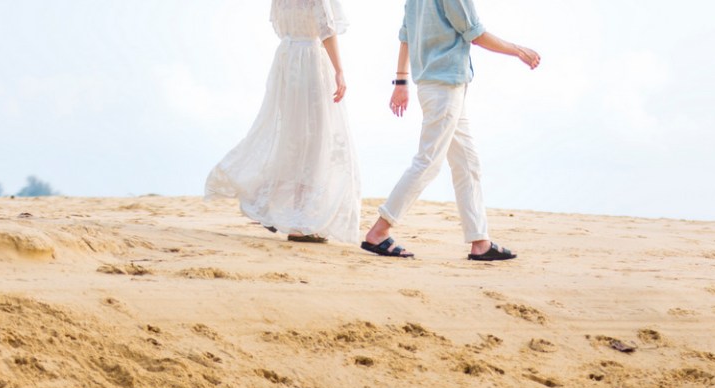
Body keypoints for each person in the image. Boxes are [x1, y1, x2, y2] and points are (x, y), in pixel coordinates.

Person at [361, 0, 540, 261]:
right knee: (428, 162)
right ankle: (378, 232)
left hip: (435, 86)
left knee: (467, 162)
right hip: (446, 86)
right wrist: (519, 50)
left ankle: (480, 241)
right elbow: (475, 33)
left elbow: (405, 35)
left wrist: (401, 80)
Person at [207, 0, 362, 245]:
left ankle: (271, 204)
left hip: (287, 59)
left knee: (291, 136)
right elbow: (326, 29)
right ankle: (299, 222)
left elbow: (278, 26)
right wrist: (339, 70)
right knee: (314, 139)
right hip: (310, 61)